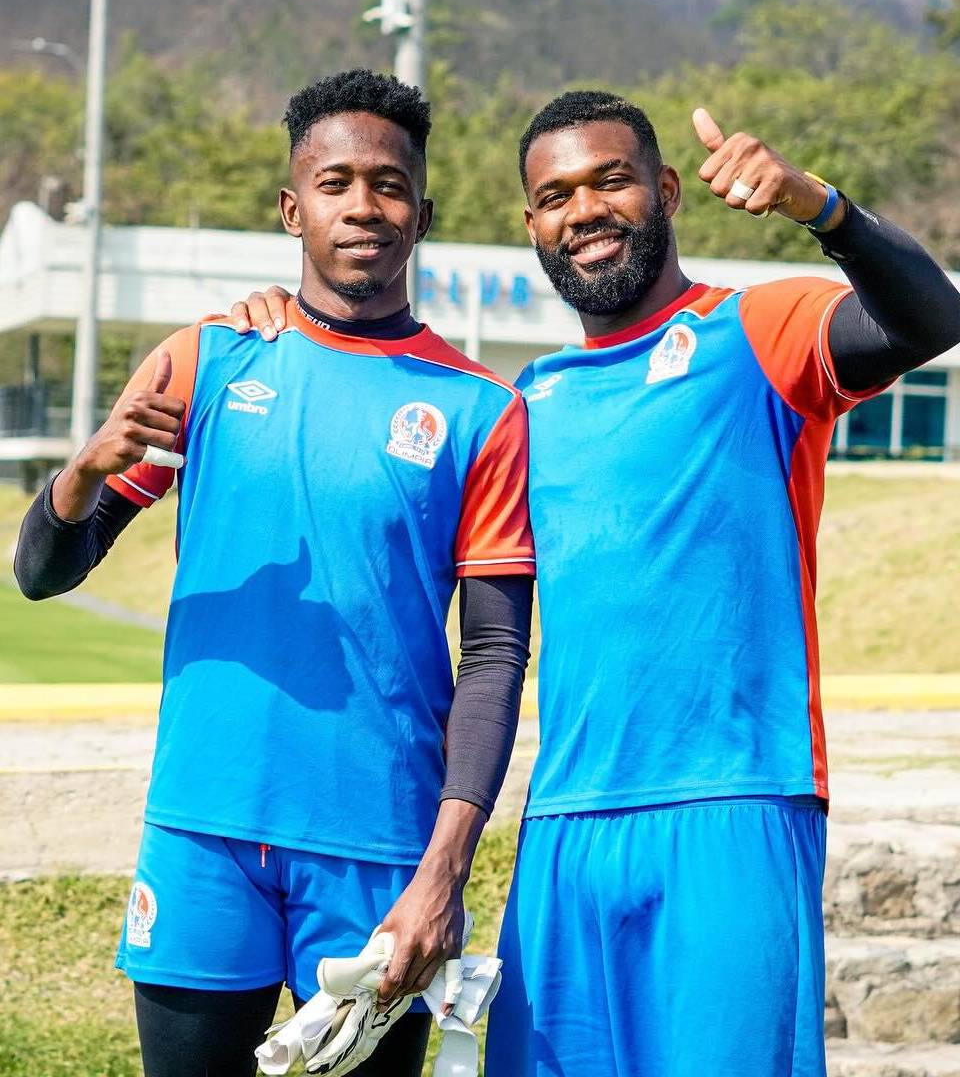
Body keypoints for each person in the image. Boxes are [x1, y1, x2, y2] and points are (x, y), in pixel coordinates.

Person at [232, 90, 960, 1076]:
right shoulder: (521, 405)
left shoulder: (761, 334)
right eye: (556, 194)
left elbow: (931, 318)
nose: (584, 209)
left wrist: (820, 208)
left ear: (663, 190)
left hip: (733, 804)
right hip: (564, 832)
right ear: (531, 224)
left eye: (610, 180)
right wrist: (281, 320)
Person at [14, 68, 535, 1077]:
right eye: (335, 183)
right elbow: (44, 570)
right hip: (203, 834)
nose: (364, 206)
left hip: (378, 846)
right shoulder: (204, 362)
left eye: (389, 185)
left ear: (422, 213)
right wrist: (84, 469)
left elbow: (496, 655)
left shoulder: (480, 408)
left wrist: (444, 869)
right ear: (293, 209)